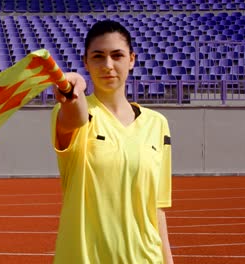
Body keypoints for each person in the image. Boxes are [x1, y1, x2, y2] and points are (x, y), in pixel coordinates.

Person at [51, 20, 174, 264]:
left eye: (117, 55)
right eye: (98, 56)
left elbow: (157, 209)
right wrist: (75, 84)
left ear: (131, 59)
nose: (108, 65)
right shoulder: (77, 113)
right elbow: (73, 116)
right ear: (86, 61)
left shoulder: (157, 124)